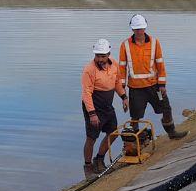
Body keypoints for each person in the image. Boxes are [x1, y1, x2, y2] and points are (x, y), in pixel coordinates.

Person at [118, 14, 188, 140]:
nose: (139, 31)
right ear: (132, 29)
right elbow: (121, 69)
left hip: (154, 86)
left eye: (141, 28)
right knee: (135, 115)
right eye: (136, 29)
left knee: (166, 108)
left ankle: (171, 132)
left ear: (145, 28)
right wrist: (123, 92)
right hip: (135, 88)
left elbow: (160, 64)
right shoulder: (125, 45)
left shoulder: (155, 43)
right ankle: (134, 140)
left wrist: (162, 85)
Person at [81, 39, 128, 177]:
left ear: (108, 54)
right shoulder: (89, 69)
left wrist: (124, 97)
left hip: (107, 106)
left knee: (113, 132)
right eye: (97, 56)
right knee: (91, 138)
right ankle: (88, 167)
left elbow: (117, 82)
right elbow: (86, 93)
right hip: (93, 107)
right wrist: (92, 114)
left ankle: (99, 159)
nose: (100, 59)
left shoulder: (114, 65)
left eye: (103, 56)